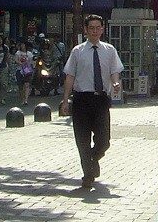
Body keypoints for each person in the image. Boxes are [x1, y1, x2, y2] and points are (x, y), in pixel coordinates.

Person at [60, 14, 123, 190]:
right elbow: (70, 76)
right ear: (86, 30)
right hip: (81, 100)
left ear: (102, 29)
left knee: (104, 141)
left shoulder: (109, 50)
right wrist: (65, 100)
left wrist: (115, 83)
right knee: (83, 141)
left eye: (98, 28)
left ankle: (94, 158)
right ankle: (88, 175)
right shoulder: (77, 51)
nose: (95, 31)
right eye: (91, 28)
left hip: (101, 99)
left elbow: (114, 71)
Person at [11, 40, 34, 104]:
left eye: (23, 45)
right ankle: (22, 98)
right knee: (20, 86)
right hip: (19, 70)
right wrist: (20, 63)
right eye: (21, 45)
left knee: (27, 84)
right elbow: (16, 60)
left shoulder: (29, 54)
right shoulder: (18, 53)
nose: (22, 46)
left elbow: (31, 62)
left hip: (27, 70)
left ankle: (26, 99)